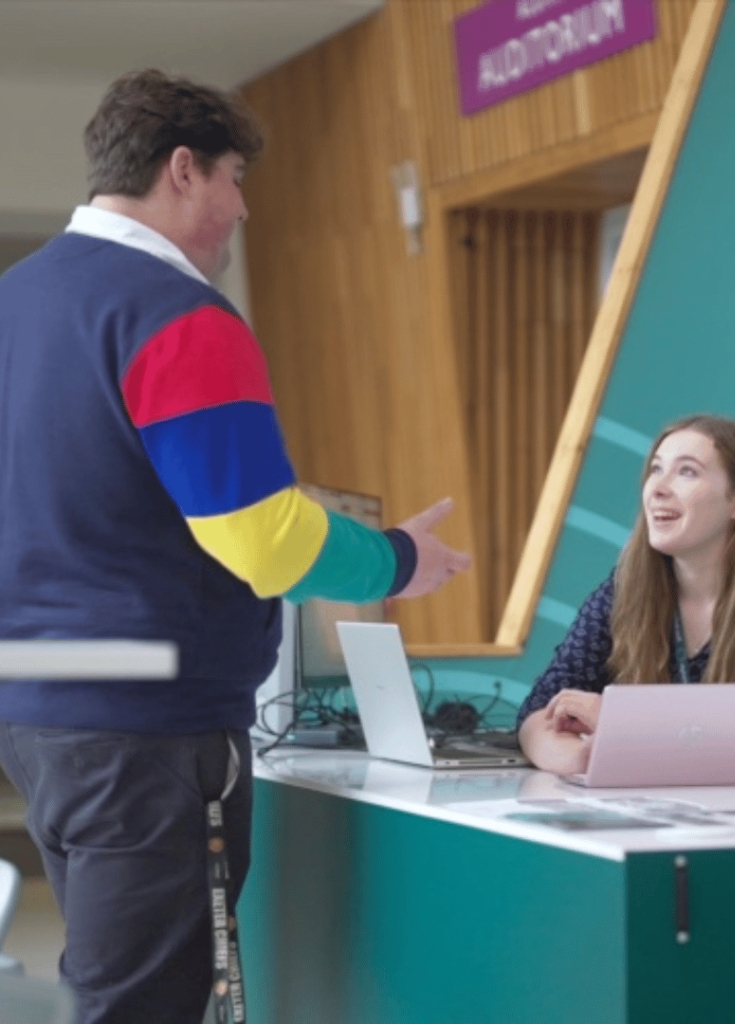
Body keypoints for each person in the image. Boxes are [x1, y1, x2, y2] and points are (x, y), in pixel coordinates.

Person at [0, 69, 470, 1024]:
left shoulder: (14, 301)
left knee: (109, 981)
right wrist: (395, 561)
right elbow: (265, 541)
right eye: (234, 178)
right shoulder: (176, 315)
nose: (244, 208)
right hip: (151, 734)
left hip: (38, 714)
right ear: (182, 170)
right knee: (149, 1003)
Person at [517, 413, 735, 779]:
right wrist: (580, 759)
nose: (657, 488)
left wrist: (625, 725)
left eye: (687, 472)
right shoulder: (626, 586)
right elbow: (537, 710)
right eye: (656, 469)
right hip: (663, 805)